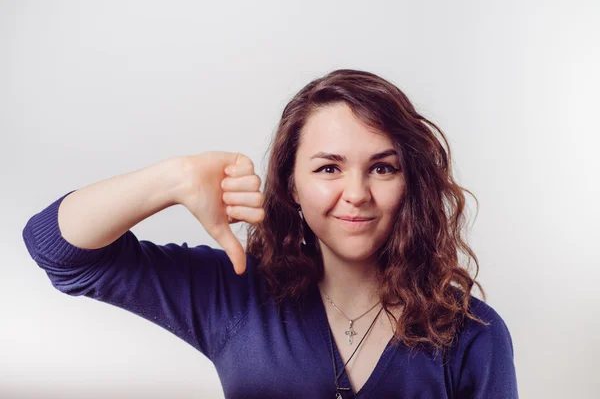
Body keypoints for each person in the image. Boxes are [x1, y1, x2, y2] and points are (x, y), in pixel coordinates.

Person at [22, 69, 519, 398]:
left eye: (383, 168)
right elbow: (58, 250)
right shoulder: (236, 294)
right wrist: (172, 179)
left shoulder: (473, 334)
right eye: (328, 168)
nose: (357, 193)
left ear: (411, 182)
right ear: (292, 186)